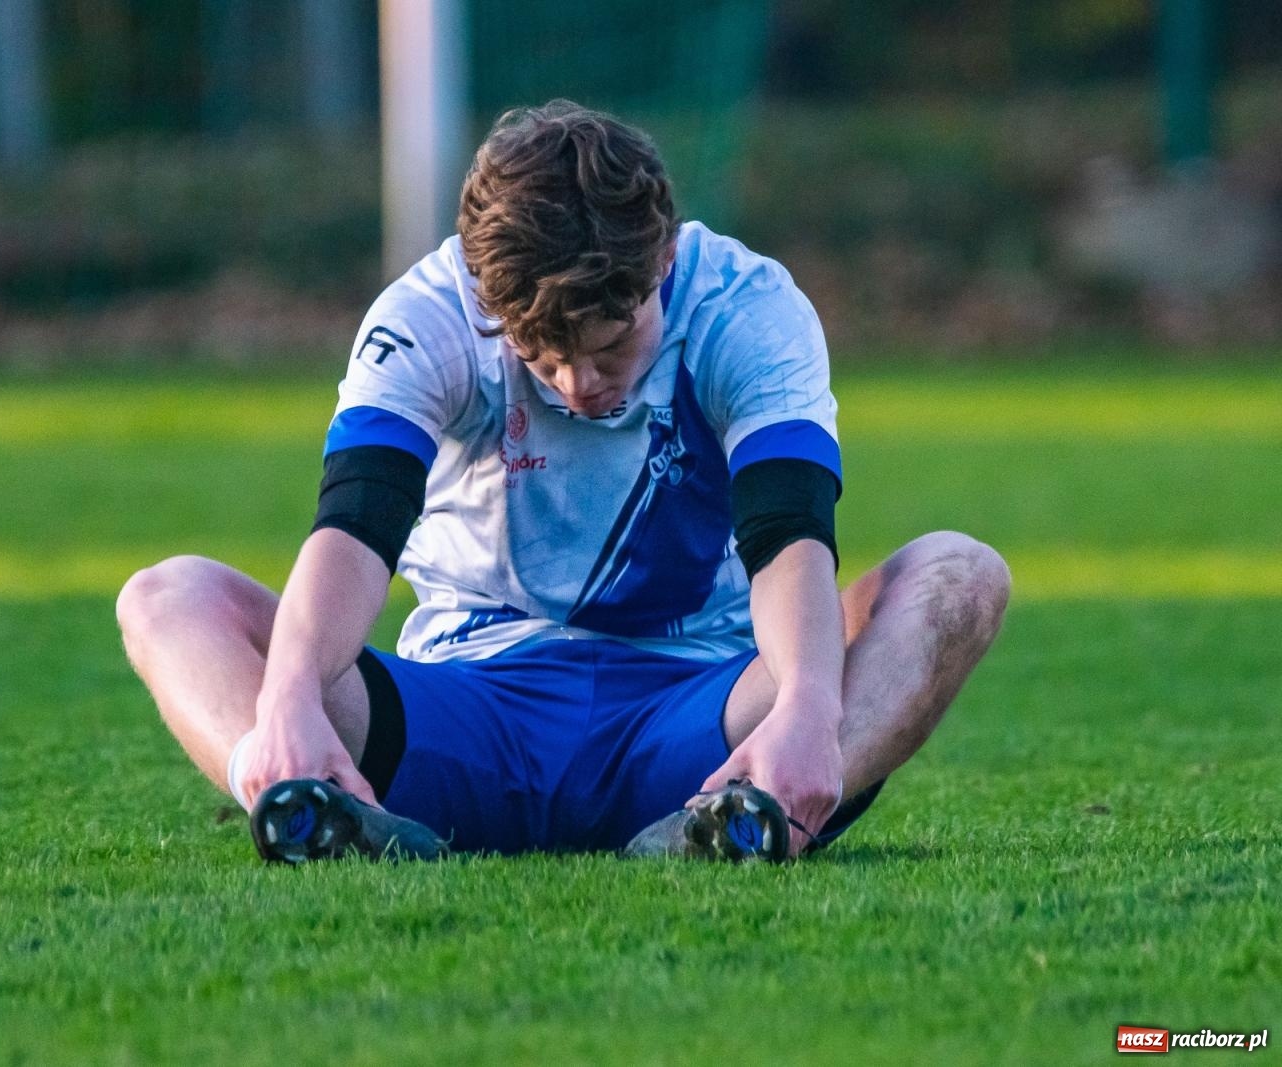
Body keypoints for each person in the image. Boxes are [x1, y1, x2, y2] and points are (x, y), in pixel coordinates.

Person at [116, 101, 1010, 864]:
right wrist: (287, 704)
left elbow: (788, 536)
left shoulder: (748, 306)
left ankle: (753, 815)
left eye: (612, 344)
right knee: (167, 596)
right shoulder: (427, 316)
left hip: (700, 718)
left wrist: (814, 708)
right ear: (488, 301)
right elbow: (354, 529)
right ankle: (311, 805)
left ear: (660, 262)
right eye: (542, 357)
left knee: (960, 575)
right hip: (459, 719)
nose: (582, 384)